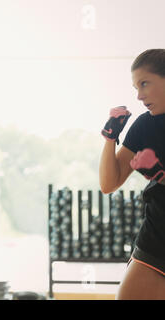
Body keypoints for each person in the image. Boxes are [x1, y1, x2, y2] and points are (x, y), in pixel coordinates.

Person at [99, 48, 165, 299]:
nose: (139, 96)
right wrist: (110, 137)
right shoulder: (145, 125)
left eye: (145, 83)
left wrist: (160, 175)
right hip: (157, 239)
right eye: (135, 87)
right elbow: (109, 183)